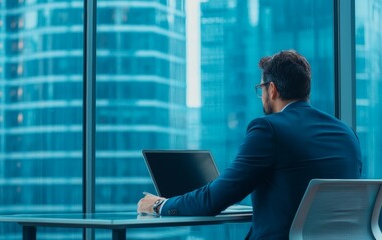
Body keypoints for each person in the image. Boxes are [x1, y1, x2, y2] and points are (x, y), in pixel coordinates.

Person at [137, 50, 362, 239]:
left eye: (261, 88)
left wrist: (160, 205)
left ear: (272, 89)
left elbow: (214, 199)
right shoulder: (346, 132)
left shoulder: (269, 129)